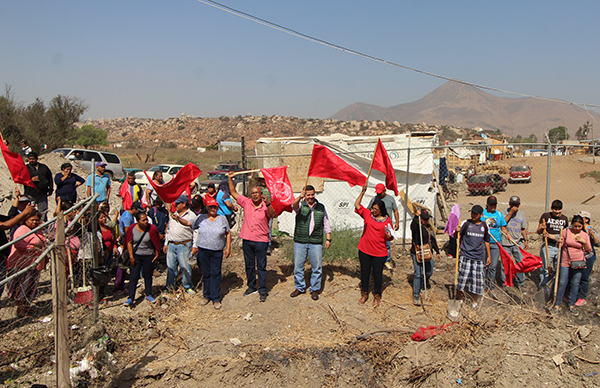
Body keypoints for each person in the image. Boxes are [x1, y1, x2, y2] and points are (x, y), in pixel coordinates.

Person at [177, 195, 231, 309]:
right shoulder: (201, 218)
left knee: (215, 274)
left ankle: (216, 298)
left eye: (215, 207)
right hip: (203, 250)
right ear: (207, 207)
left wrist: (228, 247)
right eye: (211, 207)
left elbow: (228, 232)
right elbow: (188, 223)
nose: (213, 209)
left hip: (217, 251)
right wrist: (178, 219)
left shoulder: (222, 219)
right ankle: (206, 295)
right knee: (206, 274)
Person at [228, 172, 276, 302]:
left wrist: (269, 204)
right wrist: (230, 179)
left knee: (261, 266)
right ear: (250, 195)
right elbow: (233, 192)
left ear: (261, 194)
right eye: (253, 193)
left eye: (257, 193)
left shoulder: (266, 206)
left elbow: (273, 215)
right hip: (247, 239)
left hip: (261, 241)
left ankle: (263, 289)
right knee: (249, 265)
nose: (255, 195)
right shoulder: (246, 202)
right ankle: (251, 286)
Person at [354, 184, 394, 307]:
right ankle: (364, 293)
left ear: (381, 210)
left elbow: (390, 237)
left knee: (377, 274)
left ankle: (377, 295)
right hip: (365, 250)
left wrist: (388, 235)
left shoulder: (387, 221)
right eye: (372, 208)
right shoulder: (367, 215)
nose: (373, 211)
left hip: (379, 253)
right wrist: (362, 192)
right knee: (364, 272)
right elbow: (357, 205)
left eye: (375, 209)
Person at [290, 185, 332, 301]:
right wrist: (299, 197)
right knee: (298, 266)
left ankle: (314, 289)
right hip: (300, 241)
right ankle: (299, 287)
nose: (310, 197)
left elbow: (326, 223)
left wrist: (328, 239)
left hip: (316, 241)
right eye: (308, 195)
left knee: (317, 267)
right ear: (305, 195)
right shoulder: (300, 205)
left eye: (312, 194)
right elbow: (293, 206)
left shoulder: (321, 207)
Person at [6, 211, 46, 317]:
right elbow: (18, 243)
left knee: (30, 286)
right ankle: (21, 309)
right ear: (26, 220)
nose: (34, 222)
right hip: (23, 263)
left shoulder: (37, 231)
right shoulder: (23, 230)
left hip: (34, 263)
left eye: (36, 220)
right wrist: (32, 248)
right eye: (32, 220)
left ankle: (26, 306)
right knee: (22, 287)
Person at [553, 215, 592, 316]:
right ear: (572, 225)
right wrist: (559, 242)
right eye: (575, 226)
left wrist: (584, 243)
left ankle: (571, 305)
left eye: (580, 226)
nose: (577, 228)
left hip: (578, 261)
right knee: (562, 282)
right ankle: (557, 304)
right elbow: (559, 246)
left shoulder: (584, 235)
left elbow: (589, 250)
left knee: (575, 283)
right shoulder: (566, 232)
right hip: (566, 260)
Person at [456, 205, 491, 308]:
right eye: (472, 213)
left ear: (481, 215)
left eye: (476, 214)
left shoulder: (484, 226)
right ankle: (460, 301)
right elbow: (456, 237)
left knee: (477, 281)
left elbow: (487, 241)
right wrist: (456, 231)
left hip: (478, 258)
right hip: (465, 256)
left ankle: (474, 303)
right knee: (462, 279)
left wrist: (489, 256)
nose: (473, 215)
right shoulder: (465, 224)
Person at [123, 212, 161, 306]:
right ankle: (131, 298)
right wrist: (131, 256)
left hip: (148, 255)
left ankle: (148, 294)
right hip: (136, 255)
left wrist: (156, 254)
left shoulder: (152, 229)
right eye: (143, 220)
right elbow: (129, 242)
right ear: (138, 221)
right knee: (133, 277)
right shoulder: (132, 229)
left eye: (146, 219)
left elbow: (156, 241)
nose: (146, 221)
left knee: (148, 275)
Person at [163, 195, 196, 294]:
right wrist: (166, 243)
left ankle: (187, 286)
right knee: (171, 266)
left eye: (178, 204)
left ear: (184, 204)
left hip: (184, 244)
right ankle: (170, 286)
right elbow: (169, 230)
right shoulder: (172, 215)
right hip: (172, 244)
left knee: (185, 266)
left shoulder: (191, 216)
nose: (175, 205)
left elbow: (196, 231)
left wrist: (195, 245)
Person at [411, 208, 441, 306]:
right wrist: (416, 216)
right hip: (418, 252)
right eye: (424, 219)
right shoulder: (417, 228)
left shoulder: (428, 228)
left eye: (427, 219)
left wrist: (437, 251)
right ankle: (416, 294)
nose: (426, 221)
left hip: (428, 252)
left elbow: (432, 240)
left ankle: (423, 284)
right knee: (418, 273)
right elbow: (413, 227)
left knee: (429, 271)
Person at [537, 199, 569, 289]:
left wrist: (551, 236)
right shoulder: (546, 216)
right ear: (552, 208)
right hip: (548, 246)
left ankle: (555, 287)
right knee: (545, 268)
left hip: (559, 246)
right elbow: (538, 231)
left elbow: (566, 234)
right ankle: (543, 287)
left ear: (562, 209)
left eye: (559, 210)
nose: (557, 212)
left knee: (558, 268)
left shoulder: (564, 219)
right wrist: (542, 228)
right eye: (555, 210)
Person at [368, 183, 399, 269]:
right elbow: (368, 210)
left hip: (387, 225)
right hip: (376, 224)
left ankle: (387, 261)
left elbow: (395, 210)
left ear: (384, 191)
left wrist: (397, 222)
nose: (378, 194)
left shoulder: (390, 199)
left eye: (380, 193)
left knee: (387, 243)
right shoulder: (374, 199)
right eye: (377, 193)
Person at [481, 196, 508, 296]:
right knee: (483, 265)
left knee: (493, 266)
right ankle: (482, 286)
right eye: (491, 204)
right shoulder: (482, 214)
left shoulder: (499, 214)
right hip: (484, 242)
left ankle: (491, 287)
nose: (493, 206)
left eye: (495, 204)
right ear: (487, 204)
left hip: (496, 243)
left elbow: (503, 227)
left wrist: (507, 234)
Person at [501, 196, 528, 288]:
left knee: (520, 262)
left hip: (518, 242)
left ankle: (521, 282)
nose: (514, 207)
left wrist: (526, 240)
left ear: (519, 205)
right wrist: (511, 213)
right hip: (505, 242)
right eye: (512, 205)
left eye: (516, 205)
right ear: (509, 204)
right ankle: (505, 282)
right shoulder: (504, 212)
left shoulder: (521, 214)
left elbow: (523, 228)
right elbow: (502, 223)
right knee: (505, 263)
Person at [575, 211, 599, 306]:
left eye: (581, 218)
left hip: (588, 257)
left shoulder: (590, 229)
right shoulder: (574, 228)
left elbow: (598, 242)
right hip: (576, 256)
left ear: (586, 219)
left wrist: (592, 234)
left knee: (584, 277)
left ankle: (582, 297)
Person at [24, 152, 53, 221]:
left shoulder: (43, 167)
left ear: (36, 159)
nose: (31, 160)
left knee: (43, 211)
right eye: (30, 159)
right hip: (30, 193)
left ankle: (42, 226)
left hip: (42, 192)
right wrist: (31, 180)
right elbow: (22, 179)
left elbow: (49, 178)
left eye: (33, 159)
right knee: (29, 211)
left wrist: (50, 189)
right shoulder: (25, 168)